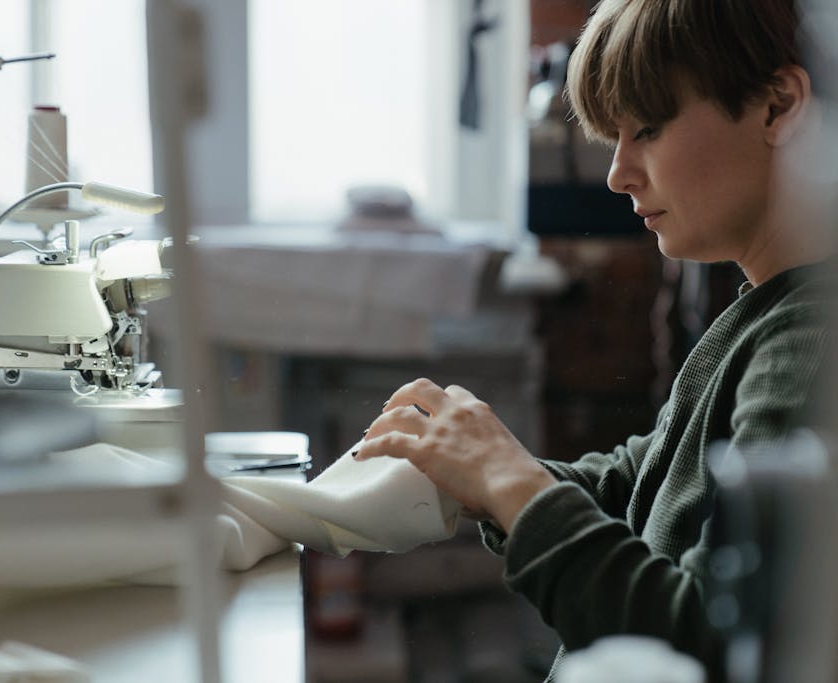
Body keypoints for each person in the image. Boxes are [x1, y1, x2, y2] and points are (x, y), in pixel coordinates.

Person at [353, 0, 835, 679]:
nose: (618, 173)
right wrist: (471, 472)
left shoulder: (809, 342)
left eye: (648, 128)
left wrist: (506, 477)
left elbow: (708, 641)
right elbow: (638, 481)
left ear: (778, 105)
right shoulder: (764, 314)